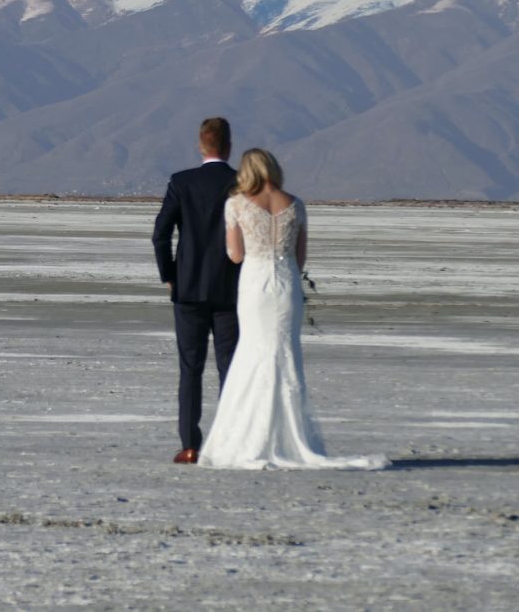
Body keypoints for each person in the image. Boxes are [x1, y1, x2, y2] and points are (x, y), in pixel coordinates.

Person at [198, 148, 389, 470]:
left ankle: (247, 438)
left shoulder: (236, 204)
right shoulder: (295, 204)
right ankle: (288, 437)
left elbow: (235, 255)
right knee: (284, 353)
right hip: (286, 285)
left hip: (255, 285)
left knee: (254, 352)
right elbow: (300, 258)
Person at [152, 117, 240, 464]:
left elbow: (160, 234)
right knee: (229, 367)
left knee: (190, 368)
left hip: (187, 290)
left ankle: (190, 445)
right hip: (231, 289)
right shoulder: (240, 184)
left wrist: (170, 274)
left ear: (201, 146)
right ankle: (230, 441)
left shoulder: (181, 182)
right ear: (228, 146)